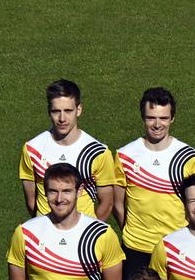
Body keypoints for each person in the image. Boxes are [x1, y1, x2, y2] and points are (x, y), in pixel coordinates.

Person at [114, 87, 195, 280]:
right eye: (151, 118)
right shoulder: (125, 155)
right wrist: (132, 230)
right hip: (137, 246)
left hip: (176, 246)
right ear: (143, 117)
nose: (157, 124)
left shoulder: (188, 156)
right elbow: (118, 204)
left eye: (163, 118)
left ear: (172, 118)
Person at [18, 78, 124, 221]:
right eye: (56, 111)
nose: (62, 118)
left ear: (78, 110)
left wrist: (88, 232)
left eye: (68, 111)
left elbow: (107, 203)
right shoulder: (32, 149)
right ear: (49, 111)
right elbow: (32, 203)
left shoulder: (97, 152)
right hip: (45, 235)